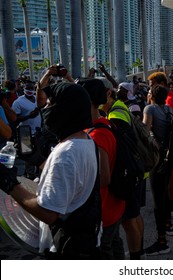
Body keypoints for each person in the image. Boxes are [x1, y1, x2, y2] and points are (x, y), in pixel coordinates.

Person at [0, 82, 101, 259]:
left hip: (65, 249)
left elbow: (48, 214)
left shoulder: (66, 153)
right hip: (85, 240)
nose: (45, 108)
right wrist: (38, 160)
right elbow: (70, 178)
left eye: (49, 104)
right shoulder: (86, 141)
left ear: (64, 110)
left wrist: (10, 184)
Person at [77, 78, 126, 260]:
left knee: (106, 250)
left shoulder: (97, 135)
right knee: (116, 243)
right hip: (115, 204)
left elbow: (104, 178)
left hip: (104, 209)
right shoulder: (106, 122)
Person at [100, 80, 146, 260]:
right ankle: (139, 252)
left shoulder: (116, 115)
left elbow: (125, 147)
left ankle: (136, 258)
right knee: (134, 215)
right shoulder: (118, 107)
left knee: (129, 220)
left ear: (109, 95)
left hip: (129, 172)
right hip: (137, 169)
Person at [143, 84, 173, 255]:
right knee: (164, 192)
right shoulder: (167, 109)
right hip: (170, 156)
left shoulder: (149, 109)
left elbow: (145, 130)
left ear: (151, 95)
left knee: (158, 199)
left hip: (158, 159)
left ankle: (162, 241)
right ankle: (168, 225)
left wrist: (152, 137)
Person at [148, 72, 173, 219]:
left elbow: (166, 122)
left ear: (160, 84)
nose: (150, 88)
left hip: (167, 148)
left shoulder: (167, 100)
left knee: (171, 176)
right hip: (168, 147)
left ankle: (171, 208)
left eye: (152, 85)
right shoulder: (163, 100)